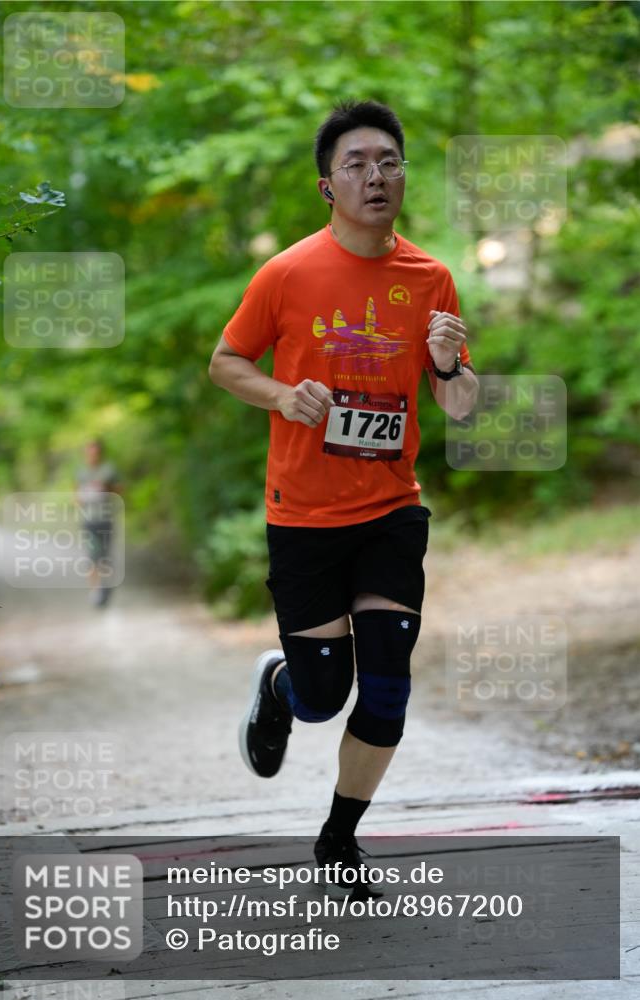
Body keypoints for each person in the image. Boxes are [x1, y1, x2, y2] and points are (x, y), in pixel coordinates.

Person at [209, 100, 479, 898]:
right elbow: (226, 362)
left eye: (388, 162)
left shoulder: (429, 278)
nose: (375, 176)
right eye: (356, 164)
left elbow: (459, 405)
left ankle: (337, 839)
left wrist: (448, 364)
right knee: (324, 699)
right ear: (327, 186)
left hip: (391, 510)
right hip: (304, 516)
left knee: (387, 684)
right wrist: (281, 395)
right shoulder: (286, 274)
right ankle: (282, 687)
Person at [74, 438, 123, 608]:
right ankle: (95, 591)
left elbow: (120, 490)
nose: (92, 455)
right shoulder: (81, 472)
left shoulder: (109, 470)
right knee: (92, 556)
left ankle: (105, 585)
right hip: (88, 521)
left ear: (100, 453)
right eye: (89, 452)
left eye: (95, 452)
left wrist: (106, 488)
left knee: (105, 556)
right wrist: (83, 496)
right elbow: (76, 497)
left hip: (106, 519)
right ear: (85, 453)